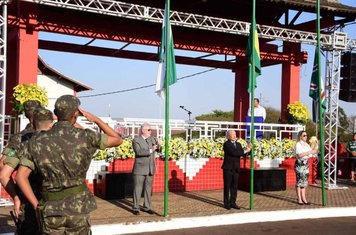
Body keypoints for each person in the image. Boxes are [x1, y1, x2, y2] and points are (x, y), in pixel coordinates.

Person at [15, 95, 123, 234]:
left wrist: (36, 205)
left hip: (50, 210)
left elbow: (20, 177)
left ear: (56, 114)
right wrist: (94, 119)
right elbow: (117, 139)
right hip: (78, 209)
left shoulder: (36, 141)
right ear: (75, 114)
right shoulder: (85, 137)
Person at [0, 108, 53, 235]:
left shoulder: (22, 141)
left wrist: (16, 198)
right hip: (53, 201)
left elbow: (3, 173)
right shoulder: (59, 141)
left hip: (27, 201)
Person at [0, 100, 41, 217]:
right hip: (49, 196)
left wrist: (16, 197)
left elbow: (3, 170)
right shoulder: (50, 135)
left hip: (25, 196)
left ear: (26, 115)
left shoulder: (19, 138)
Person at [132, 123, 161, 215]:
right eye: (149, 130)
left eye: (151, 130)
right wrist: (151, 150)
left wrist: (159, 145)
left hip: (150, 168)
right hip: (140, 168)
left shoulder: (152, 139)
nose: (150, 131)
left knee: (148, 189)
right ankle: (136, 207)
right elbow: (138, 152)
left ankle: (147, 207)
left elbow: (159, 150)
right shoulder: (136, 140)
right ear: (143, 130)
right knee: (138, 188)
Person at [222, 130, 251, 210]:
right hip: (228, 168)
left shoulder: (238, 144)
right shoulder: (226, 144)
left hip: (236, 168)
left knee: (234, 186)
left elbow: (242, 154)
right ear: (228, 136)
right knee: (227, 186)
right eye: (232, 135)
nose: (234, 136)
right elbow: (234, 153)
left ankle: (233, 202)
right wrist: (244, 151)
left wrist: (248, 149)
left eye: (234, 134)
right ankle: (226, 203)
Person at [294, 131, 318, 205]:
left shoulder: (307, 145)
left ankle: (304, 198)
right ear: (300, 136)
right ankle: (299, 199)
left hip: (305, 164)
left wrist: (315, 145)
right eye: (304, 135)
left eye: (306, 135)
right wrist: (309, 152)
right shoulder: (298, 144)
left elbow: (312, 153)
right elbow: (299, 155)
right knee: (299, 181)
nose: (306, 137)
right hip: (300, 164)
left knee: (304, 182)